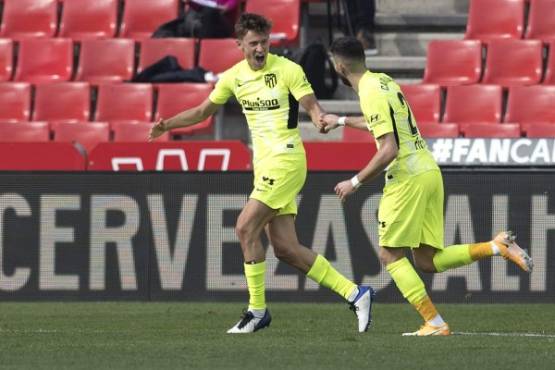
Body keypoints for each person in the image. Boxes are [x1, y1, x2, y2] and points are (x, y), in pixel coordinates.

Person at [149, 14, 375, 334]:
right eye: (254, 43)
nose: (260, 48)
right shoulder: (232, 77)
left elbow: (310, 104)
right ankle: (357, 294)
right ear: (239, 44)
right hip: (265, 166)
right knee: (286, 249)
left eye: (264, 42)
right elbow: (202, 112)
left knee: (244, 228)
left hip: (286, 161)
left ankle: (257, 311)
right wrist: (166, 125)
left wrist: (319, 116)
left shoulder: (288, 70)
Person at [321, 36, 533, 336]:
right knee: (427, 260)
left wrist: (354, 182)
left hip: (407, 176)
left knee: (390, 254)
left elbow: (389, 149)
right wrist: (340, 119)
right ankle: (496, 246)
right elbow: (381, 123)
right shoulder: (383, 81)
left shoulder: (368, 92)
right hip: (428, 169)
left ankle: (434, 322)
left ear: (339, 65)